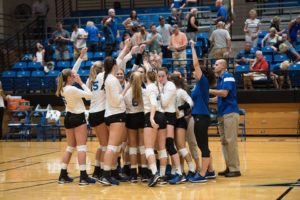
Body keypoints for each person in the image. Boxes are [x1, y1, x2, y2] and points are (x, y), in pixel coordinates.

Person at [56, 48, 96, 185]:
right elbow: (90, 96)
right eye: (73, 76)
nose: (75, 76)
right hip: (78, 118)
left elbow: (73, 70)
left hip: (68, 117)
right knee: (81, 147)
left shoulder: (63, 88)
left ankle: (62, 174)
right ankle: (83, 177)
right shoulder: (72, 88)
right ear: (69, 79)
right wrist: (81, 82)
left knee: (70, 147)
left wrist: (80, 57)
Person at [188, 40, 216, 183]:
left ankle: (203, 174)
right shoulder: (199, 85)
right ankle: (210, 171)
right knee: (203, 144)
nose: (193, 72)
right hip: (199, 116)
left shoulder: (203, 81)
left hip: (201, 118)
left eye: (196, 71)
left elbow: (196, 64)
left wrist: (192, 47)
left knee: (203, 146)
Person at [99, 57, 129, 186]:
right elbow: (117, 100)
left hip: (111, 114)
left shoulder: (108, 79)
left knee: (115, 147)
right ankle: (105, 175)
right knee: (112, 147)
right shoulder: (113, 80)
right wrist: (126, 88)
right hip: (116, 115)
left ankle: (110, 173)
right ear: (114, 66)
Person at [209, 59, 241, 178]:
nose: (214, 66)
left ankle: (235, 168)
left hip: (230, 113)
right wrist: (207, 99)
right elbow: (219, 98)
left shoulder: (228, 76)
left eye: (216, 64)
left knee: (230, 141)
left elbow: (224, 94)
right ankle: (229, 166)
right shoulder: (220, 79)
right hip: (222, 114)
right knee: (224, 141)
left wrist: (209, 90)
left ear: (223, 66)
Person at [157, 67, 184, 184]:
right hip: (163, 116)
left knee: (169, 144)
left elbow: (164, 102)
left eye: (162, 76)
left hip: (169, 116)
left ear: (167, 76)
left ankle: (179, 173)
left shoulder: (170, 86)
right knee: (163, 145)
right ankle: (167, 173)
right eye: (159, 76)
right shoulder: (162, 86)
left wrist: (158, 90)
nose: (160, 78)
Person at [143, 70, 167, 187]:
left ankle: (154, 172)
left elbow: (153, 104)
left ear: (147, 76)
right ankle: (162, 175)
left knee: (148, 148)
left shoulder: (150, 87)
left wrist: (151, 119)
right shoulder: (157, 86)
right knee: (161, 148)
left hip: (152, 115)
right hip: (162, 116)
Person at [169, 74, 196, 180]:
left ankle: (192, 169)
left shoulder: (180, 91)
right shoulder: (168, 92)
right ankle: (177, 170)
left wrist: (179, 108)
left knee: (181, 147)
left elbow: (190, 102)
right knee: (173, 147)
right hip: (171, 121)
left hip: (180, 120)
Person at [85, 61, 109, 181]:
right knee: (105, 146)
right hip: (100, 113)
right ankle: (104, 173)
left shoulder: (89, 80)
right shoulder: (101, 76)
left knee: (101, 145)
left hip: (92, 113)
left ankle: (97, 171)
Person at [124, 72, 148, 182]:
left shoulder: (127, 92)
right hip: (141, 117)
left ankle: (133, 174)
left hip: (130, 118)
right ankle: (143, 173)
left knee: (132, 146)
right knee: (142, 146)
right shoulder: (144, 92)